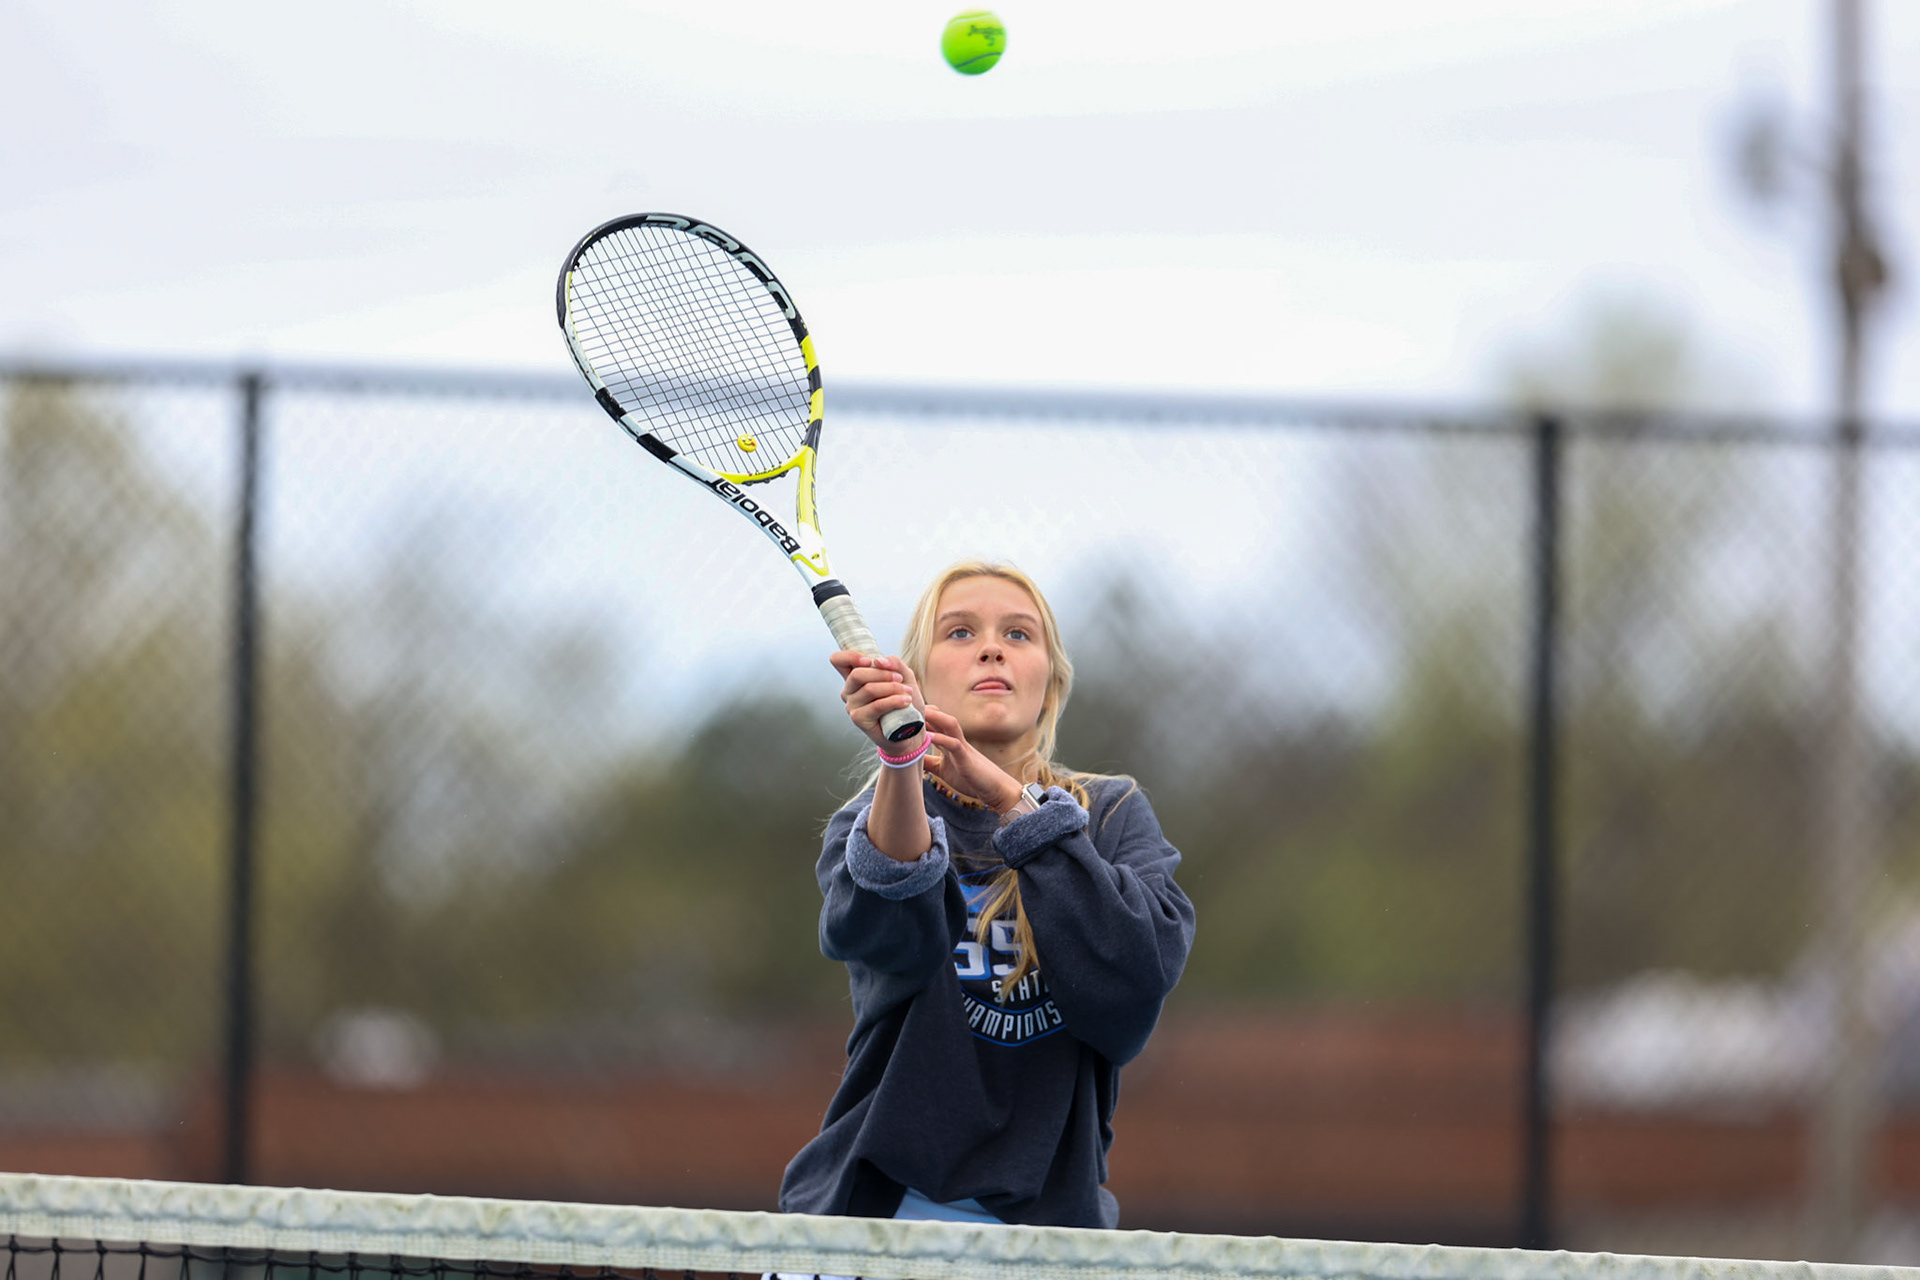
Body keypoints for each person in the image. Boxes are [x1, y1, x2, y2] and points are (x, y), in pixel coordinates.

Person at [777, 560, 1196, 1231]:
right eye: (961, 632)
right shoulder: (872, 819)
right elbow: (892, 943)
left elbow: (1132, 975)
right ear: (918, 675)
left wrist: (1013, 803)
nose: (992, 647)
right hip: (872, 1223)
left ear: (1050, 685)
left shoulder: (1112, 813)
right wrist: (901, 763)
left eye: (1020, 635)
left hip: (1049, 1233)